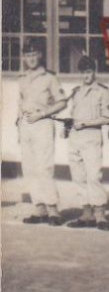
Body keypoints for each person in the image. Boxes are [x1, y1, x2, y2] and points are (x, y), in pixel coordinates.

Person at [16, 38, 67, 224]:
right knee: (29, 169)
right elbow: (20, 103)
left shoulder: (49, 77)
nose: (30, 58)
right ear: (23, 57)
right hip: (26, 125)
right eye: (27, 55)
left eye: (33, 54)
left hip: (43, 123)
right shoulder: (22, 78)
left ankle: (53, 210)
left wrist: (43, 113)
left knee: (44, 167)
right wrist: (19, 127)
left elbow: (62, 102)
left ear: (40, 55)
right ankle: (40, 209)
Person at [63, 55, 109, 230]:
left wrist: (86, 123)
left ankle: (100, 215)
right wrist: (68, 126)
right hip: (75, 138)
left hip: (92, 137)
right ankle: (86, 213)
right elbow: (73, 114)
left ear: (94, 71)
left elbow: (108, 118)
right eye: (83, 72)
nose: (86, 75)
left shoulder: (102, 91)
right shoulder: (76, 91)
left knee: (94, 176)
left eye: (89, 72)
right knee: (79, 177)